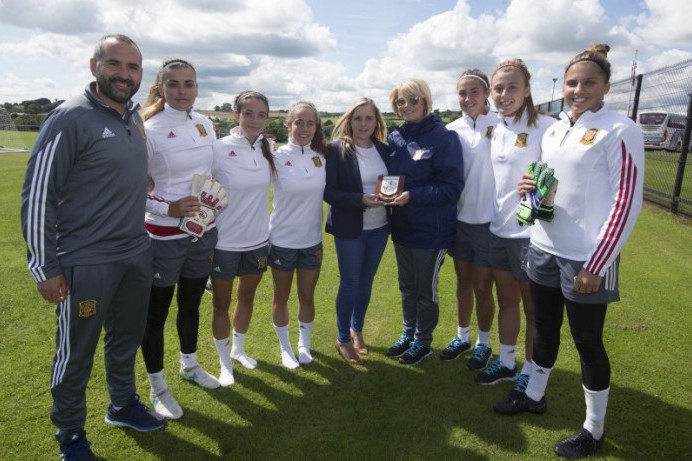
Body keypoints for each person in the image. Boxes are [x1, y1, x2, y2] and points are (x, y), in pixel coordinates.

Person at [493, 44, 644, 459]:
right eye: (572, 82)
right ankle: (534, 395)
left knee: (587, 341)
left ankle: (592, 430)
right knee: (543, 328)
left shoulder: (620, 129)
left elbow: (626, 201)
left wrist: (598, 263)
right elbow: (549, 181)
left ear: (606, 86)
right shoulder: (557, 127)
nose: (578, 90)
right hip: (542, 246)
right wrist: (530, 186)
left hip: (586, 259)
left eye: (588, 83)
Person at [20, 34, 166, 461]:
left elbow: (118, 171)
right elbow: (38, 195)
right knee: (77, 352)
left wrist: (138, 182)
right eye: (115, 64)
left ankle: (122, 405)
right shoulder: (70, 117)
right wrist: (44, 267)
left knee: (126, 338)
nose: (124, 74)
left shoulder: (133, 118)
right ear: (94, 65)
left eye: (133, 67)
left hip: (135, 253)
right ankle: (70, 435)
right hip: (87, 261)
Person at [139, 58, 220, 421]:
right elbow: (132, 191)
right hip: (162, 237)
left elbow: (211, 175)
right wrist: (167, 209)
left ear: (197, 88)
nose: (182, 91)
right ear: (160, 88)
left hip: (201, 233)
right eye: (174, 84)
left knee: (191, 305)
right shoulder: (147, 129)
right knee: (155, 314)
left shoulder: (205, 124)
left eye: (189, 84)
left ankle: (189, 365)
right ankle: (158, 388)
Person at [473, 59, 554, 389]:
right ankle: (507, 362)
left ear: (528, 90)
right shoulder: (497, 127)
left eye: (512, 87)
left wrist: (540, 187)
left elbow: (558, 177)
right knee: (507, 301)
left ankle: (530, 371)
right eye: (499, 88)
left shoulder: (547, 126)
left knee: (534, 310)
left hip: (529, 235)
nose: (504, 94)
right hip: (499, 229)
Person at [384, 79, 464, 366]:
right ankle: (408, 333)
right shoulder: (395, 138)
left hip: (432, 231)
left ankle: (423, 341)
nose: (406, 106)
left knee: (424, 290)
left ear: (426, 101)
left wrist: (412, 196)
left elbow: (452, 188)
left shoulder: (444, 137)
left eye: (412, 100)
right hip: (402, 228)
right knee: (407, 286)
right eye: (400, 102)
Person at [210, 91, 275, 383]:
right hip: (224, 242)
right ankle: (224, 363)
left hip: (259, 241)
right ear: (237, 115)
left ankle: (237, 350)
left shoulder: (267, 149)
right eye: (248, 113)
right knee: (220, 304)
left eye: (261, 115)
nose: (254, 120)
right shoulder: (218, 148)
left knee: (246, 298)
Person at [324, 98, 391, 364]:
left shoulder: (384, 150)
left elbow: (391, 183)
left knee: (366, 282)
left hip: (380, 227)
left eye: (369, 118)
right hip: (350, 228)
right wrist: (359, 200)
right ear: (349, 121)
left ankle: (357, 329)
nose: (363, 124)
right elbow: (329, 192)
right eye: (358, 118)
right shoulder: (337, 149)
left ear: (377, 122)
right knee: (350, 283)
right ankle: (342, 337)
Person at [442, 70, 498, 369]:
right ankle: (462, 336)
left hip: (491, 222)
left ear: (487, 93)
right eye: (462, 93)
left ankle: (484, 342)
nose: (467, 99)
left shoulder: (502, 124)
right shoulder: (452, 130)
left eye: (474, 92)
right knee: (463, 282)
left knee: (482, 285)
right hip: (460, 220)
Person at [269, 101, 328, 368]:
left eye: (310, 123)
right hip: (282, 240)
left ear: (316, 127)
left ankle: (304, 345)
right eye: (299, 122)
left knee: (307, 297)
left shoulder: (322, 158)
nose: (304, 128)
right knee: (281, 297)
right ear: (288, 124)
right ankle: (285, 348)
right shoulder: (276, 156)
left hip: (312, 241)